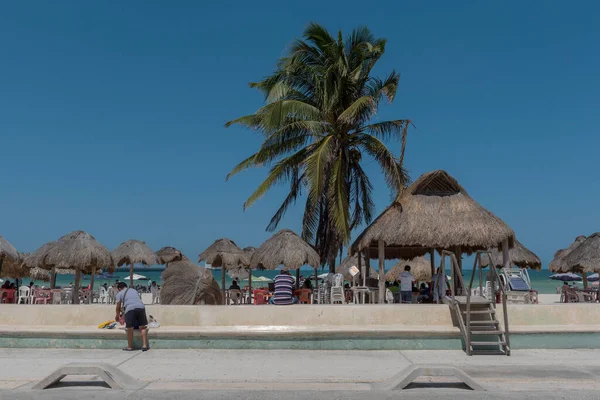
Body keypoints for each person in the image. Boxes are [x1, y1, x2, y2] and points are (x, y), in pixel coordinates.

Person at [115, 282, 149, 351]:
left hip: (130, 309)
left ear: (119, 288)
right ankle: (144, 345)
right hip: (141, 307)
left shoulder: (119, 294)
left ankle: (130, 347)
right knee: (142, 327)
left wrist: (117, 316)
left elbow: (118, 307)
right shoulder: (134, 290)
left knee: (130, 328)